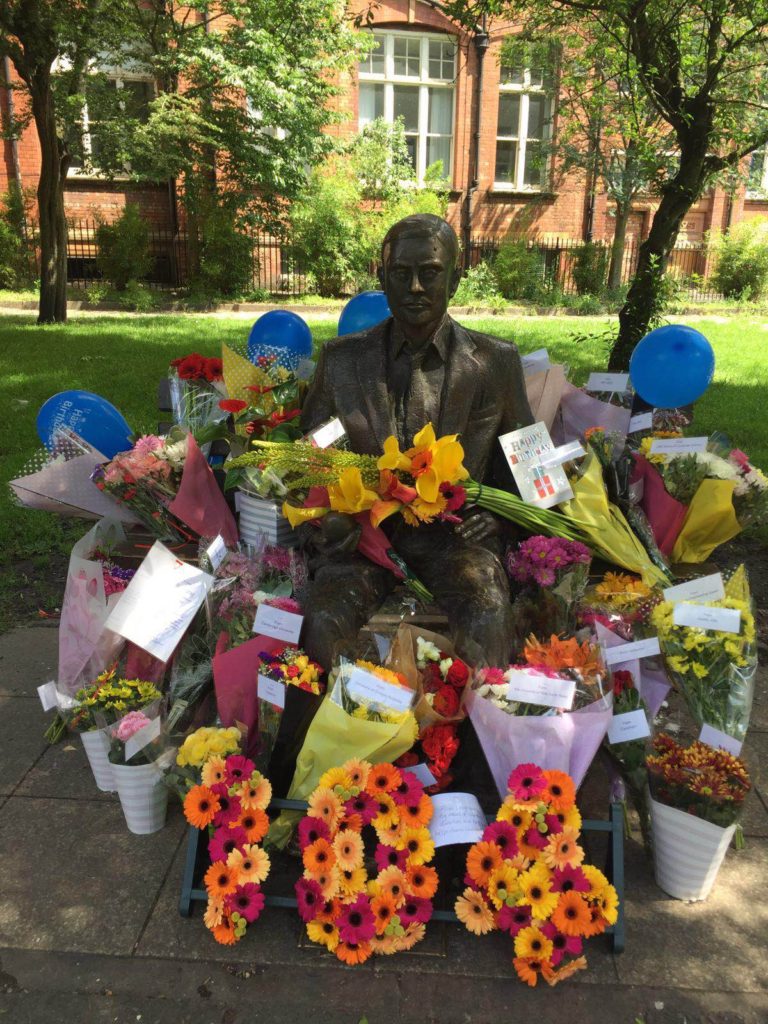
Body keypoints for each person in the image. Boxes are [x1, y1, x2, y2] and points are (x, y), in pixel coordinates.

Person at [299, 214, 534, 668]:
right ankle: (333, 735)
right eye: (401, 273)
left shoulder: (495, 362)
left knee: (487, 618)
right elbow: (315, 457)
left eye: (430, 272)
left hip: (457, 539)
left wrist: (501, 519)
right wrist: (329, 517)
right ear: (381, 278)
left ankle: (477, 737)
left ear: (455, 278)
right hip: (367, 539)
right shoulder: (341, 360)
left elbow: (533, 470)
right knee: (322, 621)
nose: (416, 287)